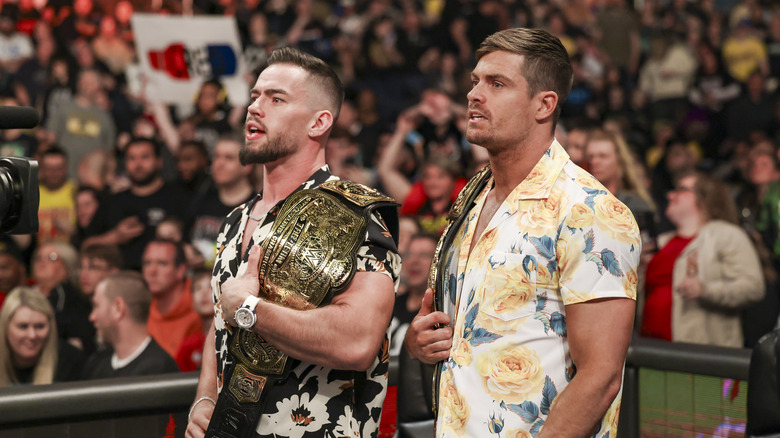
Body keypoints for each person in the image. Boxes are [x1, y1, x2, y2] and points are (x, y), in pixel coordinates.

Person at [404, 28, 640, 437]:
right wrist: (420, 343)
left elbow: (601, 378)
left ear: (544, 104)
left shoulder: (589, 209)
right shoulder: (474, 195)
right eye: (475, 81)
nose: (474, 94)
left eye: (497, 84)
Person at [186, 47, 400, 438]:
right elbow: (222, 322)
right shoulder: (235, 220)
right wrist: (204, 399)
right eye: (254, 96)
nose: (255, 107)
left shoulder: (356, 216)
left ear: (319, 123)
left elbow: (356, 340)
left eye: (276, 98)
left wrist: (252, 309)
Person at [640, 172, 765, 347]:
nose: (670, 195)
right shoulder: (661, 242)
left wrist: (707, 290)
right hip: (649, 351)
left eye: (681, 190)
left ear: (705, 196)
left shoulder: (726, 235)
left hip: (702, 357)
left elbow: (753, 287)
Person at [83, 137, 191, 270]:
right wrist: (114, 237)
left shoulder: (180, 198)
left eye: (145, 157)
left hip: (166, 277)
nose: (138, 164)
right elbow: (85, 244)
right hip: (120, 277)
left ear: (159, 162)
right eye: (132, 158)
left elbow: (194, 246)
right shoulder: (113, 201)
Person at [82, 271, 180, 380]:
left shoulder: (160, 369)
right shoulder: (96, 363)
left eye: (96, 306)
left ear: (118, 308)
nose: (92, 317)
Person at [0, 287, 84, 386]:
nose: (32, 335)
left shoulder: (72, 361)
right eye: (23, 326)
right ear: (5, 327)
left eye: (40, 326)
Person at [32, 241, 96, 355]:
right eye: (38, 258)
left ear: (67, 265)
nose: (42, 262)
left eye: (51, 257)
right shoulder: (27, 292)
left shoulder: (69, 295)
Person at [142, 239, 202, 358]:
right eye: (147, 263)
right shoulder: (139, 308)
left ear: (181, 270)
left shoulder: (202, 305)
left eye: (162, 263)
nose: (152, 271)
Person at [176, 268, 214, 372]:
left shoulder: (232, 339)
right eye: (197, 288)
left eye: (211, 287)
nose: (204, 293)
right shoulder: (189, 345)